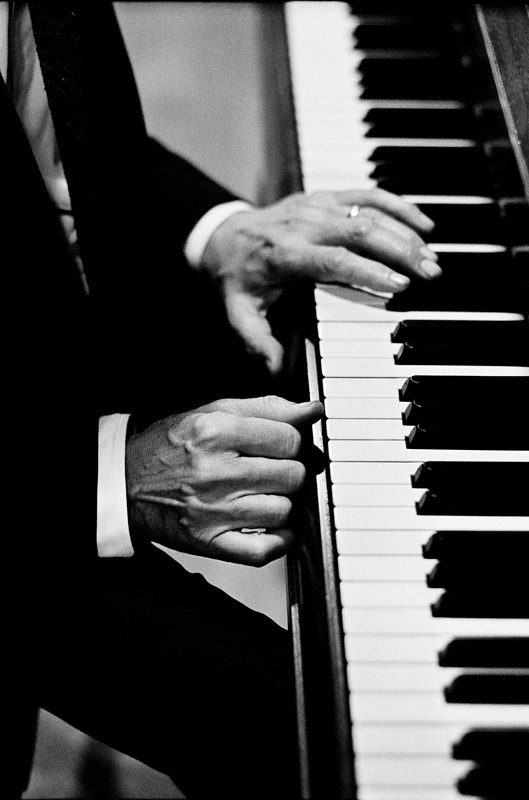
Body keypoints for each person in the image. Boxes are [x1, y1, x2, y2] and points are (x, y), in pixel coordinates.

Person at [3, 3, 441, 798]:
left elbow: (52, 116)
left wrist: (223, 229)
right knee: (324, 748)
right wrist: (110, 477)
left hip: (67, 326)